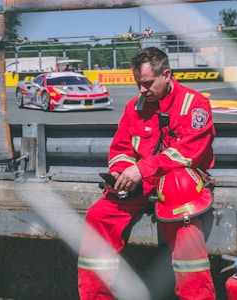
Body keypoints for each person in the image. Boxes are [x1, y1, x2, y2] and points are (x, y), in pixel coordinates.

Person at [77, 46, 216, 299]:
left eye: (148, 83)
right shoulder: (134, 107)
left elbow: (189, 152)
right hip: (140, 187)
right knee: (98, 216)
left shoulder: (195, 105)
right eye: (138, 84)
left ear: (167, 74)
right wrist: (120, 175)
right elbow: (120, 149)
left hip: (180, 191)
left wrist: (141, 169)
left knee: (187, 233)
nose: (142, 90)